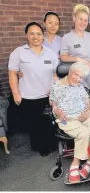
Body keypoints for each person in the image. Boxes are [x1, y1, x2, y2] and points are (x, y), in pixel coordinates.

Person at [7, 22, 59, 156]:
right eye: (32, 33)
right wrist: (15, 93)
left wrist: (57, 90)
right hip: (29, 96)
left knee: (49, 122)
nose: (36, 37)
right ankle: (40, 147)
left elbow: (55, 74)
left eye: (39, 34)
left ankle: (51, 145)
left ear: (43, 36)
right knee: (36, 124)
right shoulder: (19, 52)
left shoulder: (51, 53)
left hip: (48, 95)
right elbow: (12, 73)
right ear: (26, 35)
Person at [49, 62, 90, 183]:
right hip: (68, 119)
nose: (78, 79)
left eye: (81, 77)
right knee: (85, 133)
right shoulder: (56, 86)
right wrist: (57, 110)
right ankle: (76, 163)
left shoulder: (81, 87)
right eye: (76, 75)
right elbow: (53, 104)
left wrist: (89, 111)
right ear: (70, 72)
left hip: (84, 115)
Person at [60, 4, 90, 102]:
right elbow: (63, 57)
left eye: (85, 20)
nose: (83, 23)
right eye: (80, 19)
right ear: (74, 18)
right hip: (78, 80)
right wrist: (78, 59)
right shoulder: (67, 38)